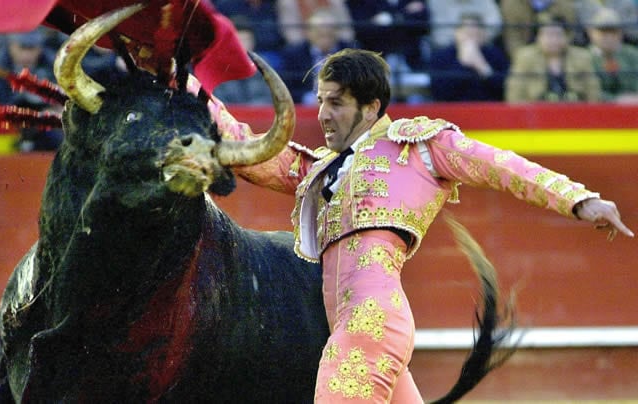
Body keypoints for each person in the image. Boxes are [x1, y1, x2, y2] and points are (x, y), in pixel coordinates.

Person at [207, 48, 633, 402]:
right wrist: (188, 89)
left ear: (371, 106)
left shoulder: (417, 146)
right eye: (320, 100)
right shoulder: (324, 170)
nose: (322, 114)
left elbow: (501, 166)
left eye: (335, 102)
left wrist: (580, 199)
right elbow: (257, 155)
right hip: (354, 325)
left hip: (369, 321)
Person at [0, 28, 63, 151]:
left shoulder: (53, 64)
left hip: (44, 125)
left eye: (32, 48)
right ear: (11, 46)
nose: (26, 55)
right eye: (22, 48)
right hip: (3, 125)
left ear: (40, 48)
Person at [505, 14, 601, 103]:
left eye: (558, 35)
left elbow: (593, 91)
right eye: (548, 35)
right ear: (538, 37)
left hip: (575, 112)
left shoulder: (582, 56)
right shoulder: (525, 56)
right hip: (536, 114)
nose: (553, 40)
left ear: (566, 37)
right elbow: (514, 95)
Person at [430, 13, 510, 102]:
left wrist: (483, 67)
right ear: (457, 33)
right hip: (452, 109)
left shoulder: (495, 55)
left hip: (488, 109)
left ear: (483, 34)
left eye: (475, 34)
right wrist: (462, 64)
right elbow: (440, 94)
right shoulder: (441, 56)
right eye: (467, 34)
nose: (471, 39)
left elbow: (505, 90)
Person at [279, 8, 352, 104]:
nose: (325, 39)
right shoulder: (294, 54)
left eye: (329, 34)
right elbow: (286, 89)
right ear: (308, 33)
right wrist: (306, 98)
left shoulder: (351, 52)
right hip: (307, 108)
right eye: (320, 34)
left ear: (337, 32)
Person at [346, 0, 430, 69]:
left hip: (413, 61)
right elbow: (362, 30)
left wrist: (390, 19)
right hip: (375, 65)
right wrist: (405, 15)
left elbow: (424, 26)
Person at [212, 16, 273, 105]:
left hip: (258, 115)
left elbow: (268, 97)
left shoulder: (263, 65)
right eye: (239, 40)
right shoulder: (218, 66)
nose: (242, 45)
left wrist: (251, 113)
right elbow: (218, 100)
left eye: (247, 40)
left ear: (253, 42)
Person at [586, 8, 638, 103]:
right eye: (603, 32)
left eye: (613, 31)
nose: (609, 37)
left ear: (621, 32)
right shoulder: (585, 57)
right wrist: (617, 100)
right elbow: (588, 91)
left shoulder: (633, 55)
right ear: (591, 32)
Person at [500, 0, 578, 60]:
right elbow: (512, 38)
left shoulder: (565, 3)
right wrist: (523, 60)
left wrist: (561, 56)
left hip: (561, 53)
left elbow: (570, 32)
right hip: (525, 52)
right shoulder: (511, 3)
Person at [427, 0, 502, 50]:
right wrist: (465, 40)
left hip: (482, 46)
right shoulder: (436, 2)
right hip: (448, 49)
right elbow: (439, 36)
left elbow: (496, 25)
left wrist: (474, 40)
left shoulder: (485, 2)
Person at [277, 0, 354, 46]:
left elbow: (347, 31)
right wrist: (313, 44)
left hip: (336, 43)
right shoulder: (287, 3)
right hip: (304, 46)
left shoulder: (336, 2)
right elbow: (292, 34)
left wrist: (331, 42)